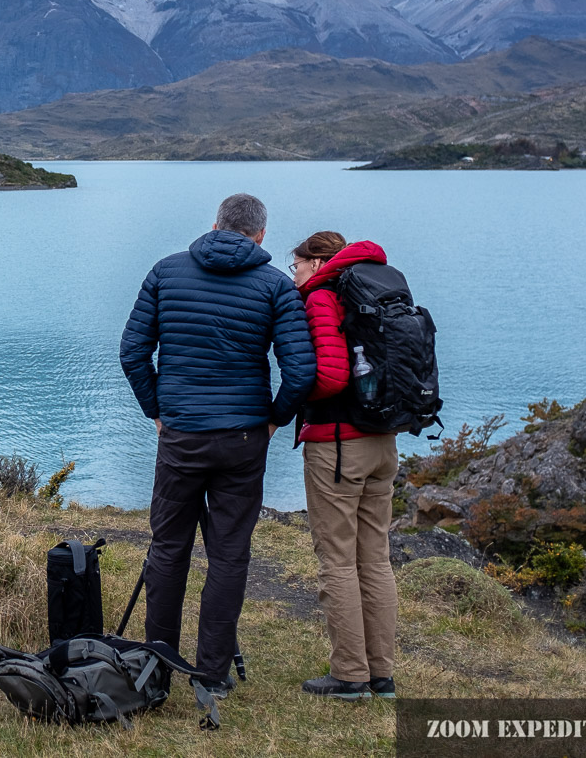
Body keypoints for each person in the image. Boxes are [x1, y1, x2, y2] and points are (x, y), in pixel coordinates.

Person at [119, 193, 315, 696]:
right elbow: (301, 371)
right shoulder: (275, 285)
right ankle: (212, 674)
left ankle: (157, 667)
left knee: (168, 548)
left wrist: (156, 411)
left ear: (214, 225)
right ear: (261, 236)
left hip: (182, 435)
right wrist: (274, 420)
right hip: (244, 439)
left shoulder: (166, 271)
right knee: (229, 556)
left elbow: (133, 351)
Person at [289, 230, 398, 701]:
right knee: (374, 558)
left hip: (338, 446)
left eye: (296, 266)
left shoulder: (322, 297)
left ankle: (350, 675)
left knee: (337, 560)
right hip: (383, 443)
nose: (293, 275)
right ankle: (381, 675)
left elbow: (331, 377)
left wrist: (294, 397)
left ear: (316, 263)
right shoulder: (379, 284)